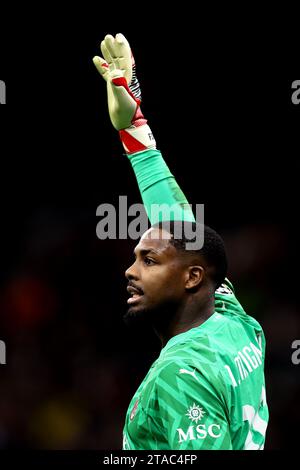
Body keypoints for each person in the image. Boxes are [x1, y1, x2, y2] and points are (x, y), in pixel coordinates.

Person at [93, 33, 269, 450]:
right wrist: (133, 125)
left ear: (192, 278)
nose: (129, 270)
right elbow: (182, 229)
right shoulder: (233, 323)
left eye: (148, 261)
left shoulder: (181, 375)